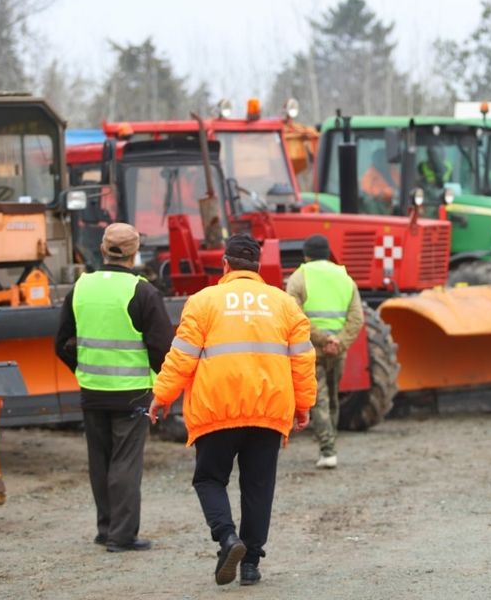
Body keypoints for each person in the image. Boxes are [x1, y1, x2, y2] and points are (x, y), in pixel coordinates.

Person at [148, 234, 316, 587]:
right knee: (258, 486)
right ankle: (251, 564)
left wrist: (162, 395)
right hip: (268, 411)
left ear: (224, 265)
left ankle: (228, 539)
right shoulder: (285, 304)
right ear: (257, 267)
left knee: (209, 479)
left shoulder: (203, 301)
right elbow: (302, 361)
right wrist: (303, 406)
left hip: (216, 409)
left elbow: (182, 356)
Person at [54, 222, 173, 553]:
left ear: (103, 250)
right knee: (125, 462)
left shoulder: (81, 287)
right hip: (132, 391)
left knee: (100, 460)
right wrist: (163, 388)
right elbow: (163, 348)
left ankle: (105, 529)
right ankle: (121, 536)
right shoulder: (143, 291)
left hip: (92, 390)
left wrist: (82, 371)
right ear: (134, 254)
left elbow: (62, 342)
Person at [286, 234, 364, 469]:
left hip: (312, 350)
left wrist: (322, 339)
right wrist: (338, 342)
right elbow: (356, 318)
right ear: (328, 253)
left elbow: (294, 315)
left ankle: (328, 450)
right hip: (337, 351)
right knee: (332, 398)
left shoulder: (298, 278)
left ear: (306, 255)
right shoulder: (345, 277)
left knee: (318, 399)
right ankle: (331, 444)